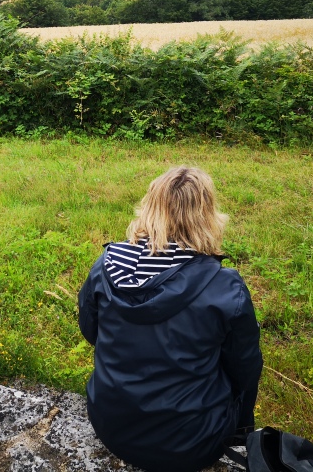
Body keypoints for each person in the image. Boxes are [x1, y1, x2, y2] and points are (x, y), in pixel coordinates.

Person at [78, 166, 263, 472]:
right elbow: (244, 371)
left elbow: (91, 330)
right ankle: (238, 436)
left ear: (149, 208)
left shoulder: (106, 266)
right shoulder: (224, 287)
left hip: (110, 426)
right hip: (192, 445)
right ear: (207, 215)